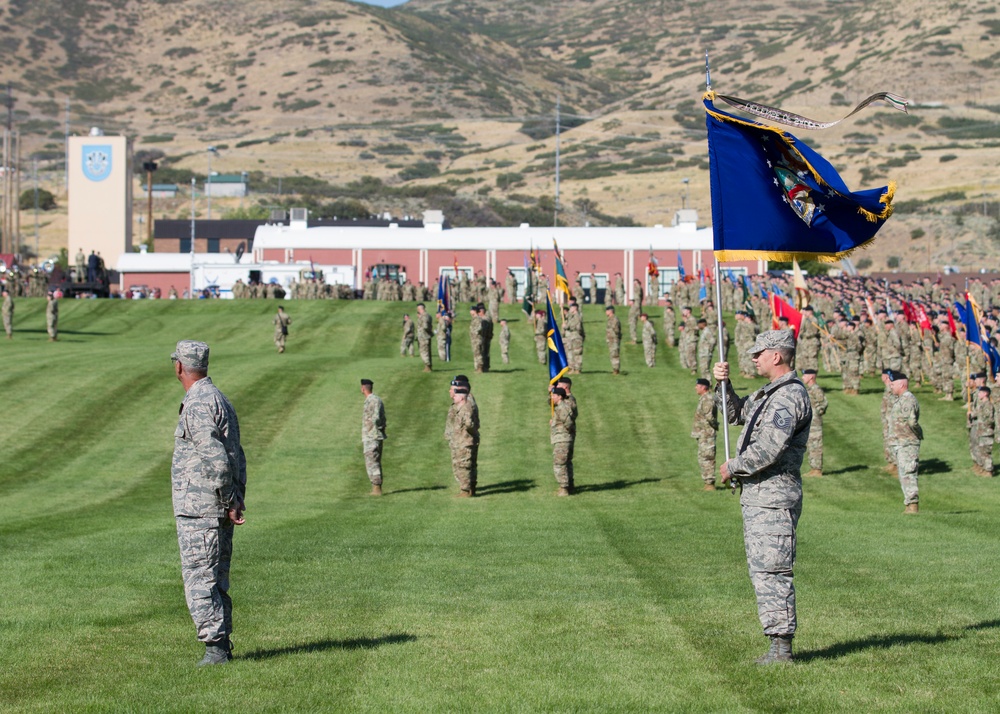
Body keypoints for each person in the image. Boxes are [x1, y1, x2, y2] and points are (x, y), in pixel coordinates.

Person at [713, 330, 812, 664]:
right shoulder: (768, 394)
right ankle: (776, 642)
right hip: (758, 495)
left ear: (777, 356)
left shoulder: (788, 397)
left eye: (760, 353)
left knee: (773, 570)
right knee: (762, 569)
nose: (754, 358)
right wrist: (723, 386)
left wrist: (734, 467)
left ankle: (781, 648)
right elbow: (735, 415)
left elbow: (769, 449)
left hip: (774, 495)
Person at [170, 340, 246, 667]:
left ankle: (215, 649)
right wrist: (236, 498)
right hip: (218, 505)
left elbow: (217, 459)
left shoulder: (199, 403)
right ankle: (222, 645)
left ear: (179, 367)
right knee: (215, 580)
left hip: (203, 508)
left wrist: (229, 499)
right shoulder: (218, 398)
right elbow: (237, 456)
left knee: (201, 580)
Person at [887, 370, 922, 513]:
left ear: (901, 384)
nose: (890, 386)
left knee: (908, 472)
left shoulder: (908, 399)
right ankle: (908, 504)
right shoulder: (901, 399)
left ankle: (913, 505)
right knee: (903, 473)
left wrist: (917, 434)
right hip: (901, 442)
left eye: (892, 384)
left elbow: (912, 421)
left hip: (907, 442)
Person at [445, 382, 479, 497]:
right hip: (461, 441)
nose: (453, 396)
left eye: (456, 395)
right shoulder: (462, 407)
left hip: (464, 441)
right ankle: (469, 489)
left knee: (463, 466)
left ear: (461, 397)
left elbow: (469, 424)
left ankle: (465, 491)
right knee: (464, 465)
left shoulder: (465, 408)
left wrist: (470, 433)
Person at [360, 379, 387, 495]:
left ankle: (376, 488)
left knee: (372, 462)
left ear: (363, 388)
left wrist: (373, 429)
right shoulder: (376, 399)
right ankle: (376, 487)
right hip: (375, 435)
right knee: (374, 461)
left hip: (372, 436)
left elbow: (376, 418)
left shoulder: (373, 400)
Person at [691, 378, 718, 490]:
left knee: (707, 457)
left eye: (697, 386)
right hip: (703, 434)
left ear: (703, 387)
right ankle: (707, 482)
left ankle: (709, 483)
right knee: (703, 457)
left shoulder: (707, 399)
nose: (695, 387)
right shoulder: (704, 399)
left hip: (706, 434)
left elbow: (709, 417)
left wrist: (715, 425)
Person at [801, 369, 828, 477]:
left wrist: (817, 413)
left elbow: (823, 403)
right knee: (811, 445)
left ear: (811, 377)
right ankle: (813, 468)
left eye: (805, 376)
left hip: (815, 423)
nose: (803, 378)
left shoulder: (816, 389)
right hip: (809, 423)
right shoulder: (809, 389)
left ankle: (817, 469)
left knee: (816, 445)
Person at [550, 386, 576, 496]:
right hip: (566, 439)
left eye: (554, 395)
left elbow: (568, 423)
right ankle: (569, 485)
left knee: (559, 463)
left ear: (559, 397)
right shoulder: (562, 406)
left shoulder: (562, 407)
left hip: (563, 439)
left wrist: (558, 427)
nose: (552, 397)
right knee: (566, 462)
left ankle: (564, 488)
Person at [968, 385, 994, 477]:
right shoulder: (982, 405)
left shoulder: (988, 405)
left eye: (980, 393)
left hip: (986, 432)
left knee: (986, 452)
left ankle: (988, 470)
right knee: (981, 451)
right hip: (981, 432)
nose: (978, 394)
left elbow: (989, 419)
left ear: (985, 393)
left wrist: (982, 425)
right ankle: (983, 468)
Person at [416, 303, 434, 372]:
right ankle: (428, 366)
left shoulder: (424, 316)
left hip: (423, 336)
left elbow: (425, 326)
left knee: (424, 352)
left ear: (420, 309)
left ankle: (427, 366)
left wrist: (425, 331)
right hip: (426, 336)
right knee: (427, 351)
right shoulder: (428, 315)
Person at [605, 305, 621, 375]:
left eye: (607, 311)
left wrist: (615, 337)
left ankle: (616, 369)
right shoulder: (610, 318)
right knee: (612, 354)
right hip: (611, 340)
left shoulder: (614, 319)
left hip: (614, 339)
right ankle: (614, 368)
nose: (606, 312)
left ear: (610, 311)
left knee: (615, 355)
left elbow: (616, 329)